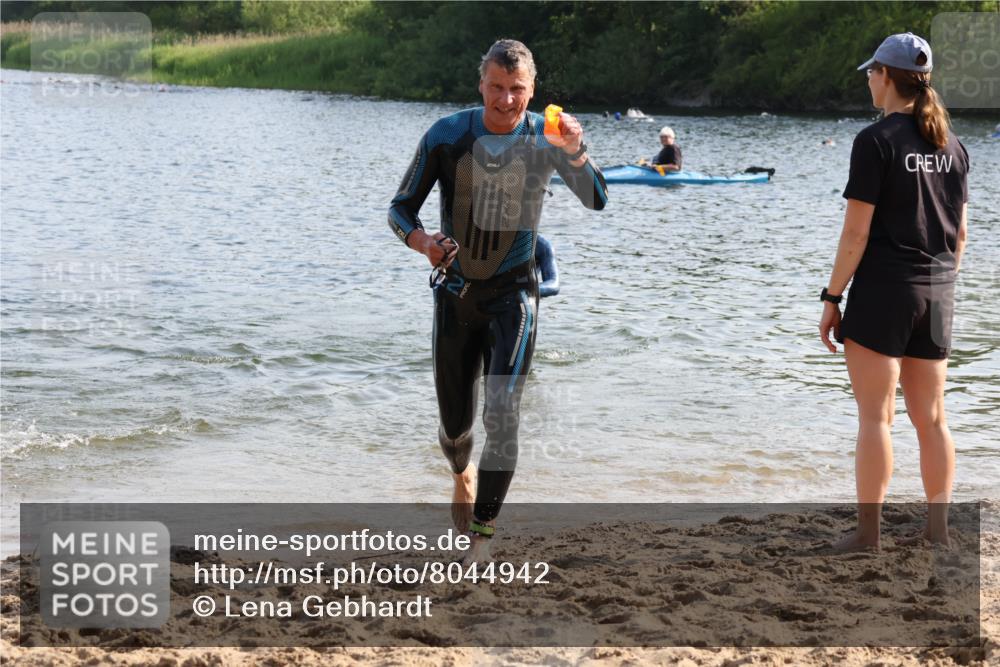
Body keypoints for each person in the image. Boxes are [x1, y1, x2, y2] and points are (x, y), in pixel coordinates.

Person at [388, 39, 608, 562]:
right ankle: (460, 473)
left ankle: (482, 536)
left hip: (515, 295)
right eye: (496, 87)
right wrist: (422, 243)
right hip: (456, 295)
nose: (506, 99)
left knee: (504, 410)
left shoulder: (548, 138)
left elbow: (596, 199)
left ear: (532, 90)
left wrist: (576, 150)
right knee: (455, 430)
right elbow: (400, 209)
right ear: (481, 84)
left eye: (517, 89)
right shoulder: (448, 135)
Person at [819, 33, 969, 551]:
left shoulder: (875, 141)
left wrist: (832, 297)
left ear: (886, 77)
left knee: (875, 418)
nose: (868, 79)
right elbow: (960, 235)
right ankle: (938, 532)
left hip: (885, 290)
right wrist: (940, 288)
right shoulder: (953, 145)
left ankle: (868, 535)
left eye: (872, 72)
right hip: (938, 293)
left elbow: (855, 234)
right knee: (933, 419)